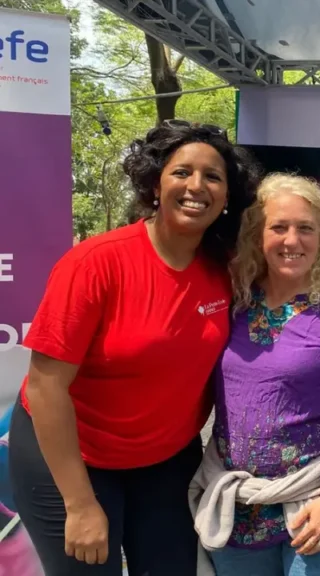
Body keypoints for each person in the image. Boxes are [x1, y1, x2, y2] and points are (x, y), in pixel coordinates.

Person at [8, 120, 261, 576]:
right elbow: (46, 388)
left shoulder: (226, 269)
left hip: (164, 461)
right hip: (73, 458)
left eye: (213, 176)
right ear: (154, 183)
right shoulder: (96, 263)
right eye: (181, 172)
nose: (196, 186)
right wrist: (81, 505)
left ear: (227, 197)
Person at [189, 173, 320, 576]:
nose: (291, 241)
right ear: (257, 235)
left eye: (305, 229)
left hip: (314, 508)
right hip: (239, 513)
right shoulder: (233, 301)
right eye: (278, 227)